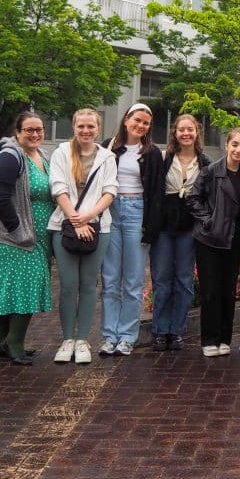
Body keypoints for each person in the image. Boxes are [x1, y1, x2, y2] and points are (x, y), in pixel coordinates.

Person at [0, 111, 52, 365]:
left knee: (7, 289)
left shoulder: (41, 156)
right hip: (7, 237)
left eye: (39, 129)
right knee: (25, 286)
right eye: (29, 130)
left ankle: (2, 343)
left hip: (29, 237)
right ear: (17, 132)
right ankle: (14, 342)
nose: (35, 134)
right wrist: (18, 232)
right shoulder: (10, 156)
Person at [47, 109, 117, 365]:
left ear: (98, 128)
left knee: (88, 285)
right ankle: (67, 339)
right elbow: (58, 188)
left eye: (91, 126)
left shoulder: (107, 156)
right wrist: (75, 220)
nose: (86, 131)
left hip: (98, 227)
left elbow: (110, 191)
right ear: (74, 127)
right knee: (68, 285)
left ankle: (83, 339)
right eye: (81, 126)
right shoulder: (61, 153)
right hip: (63, 226)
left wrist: (87, 217)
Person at [99, 103, 164, 356]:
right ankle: (109, 335)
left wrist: (151, 229)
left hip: (138, 212)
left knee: (134, 280)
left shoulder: (152, 153)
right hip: (110, 209)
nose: (140, 126)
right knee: (110, 278)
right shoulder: (108, 146)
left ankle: (127, 336)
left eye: (146, 123)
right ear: (126, 120)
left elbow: (157, 193)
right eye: (137, 120)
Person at [187, 129, 240, 356]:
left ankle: (225, 338)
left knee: (228, 290)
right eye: (235, 144)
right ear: (227, 144)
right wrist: (209, 221)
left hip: (234, 239)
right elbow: (193, 198)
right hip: (209, 239)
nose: (238, 150)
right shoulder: (210, 171)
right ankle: (209, 340)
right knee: (210, 290)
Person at [150, 115, 211, 352]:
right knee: (162, 280)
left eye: (190, 129)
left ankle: (176, 331)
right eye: (181, 130)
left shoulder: (205, 162)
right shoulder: (164, 158)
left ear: (197, 133)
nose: (186, 133)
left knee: (184, 281)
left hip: (190, 227)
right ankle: (159, 330)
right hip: (164, 227)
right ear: (175, 133)